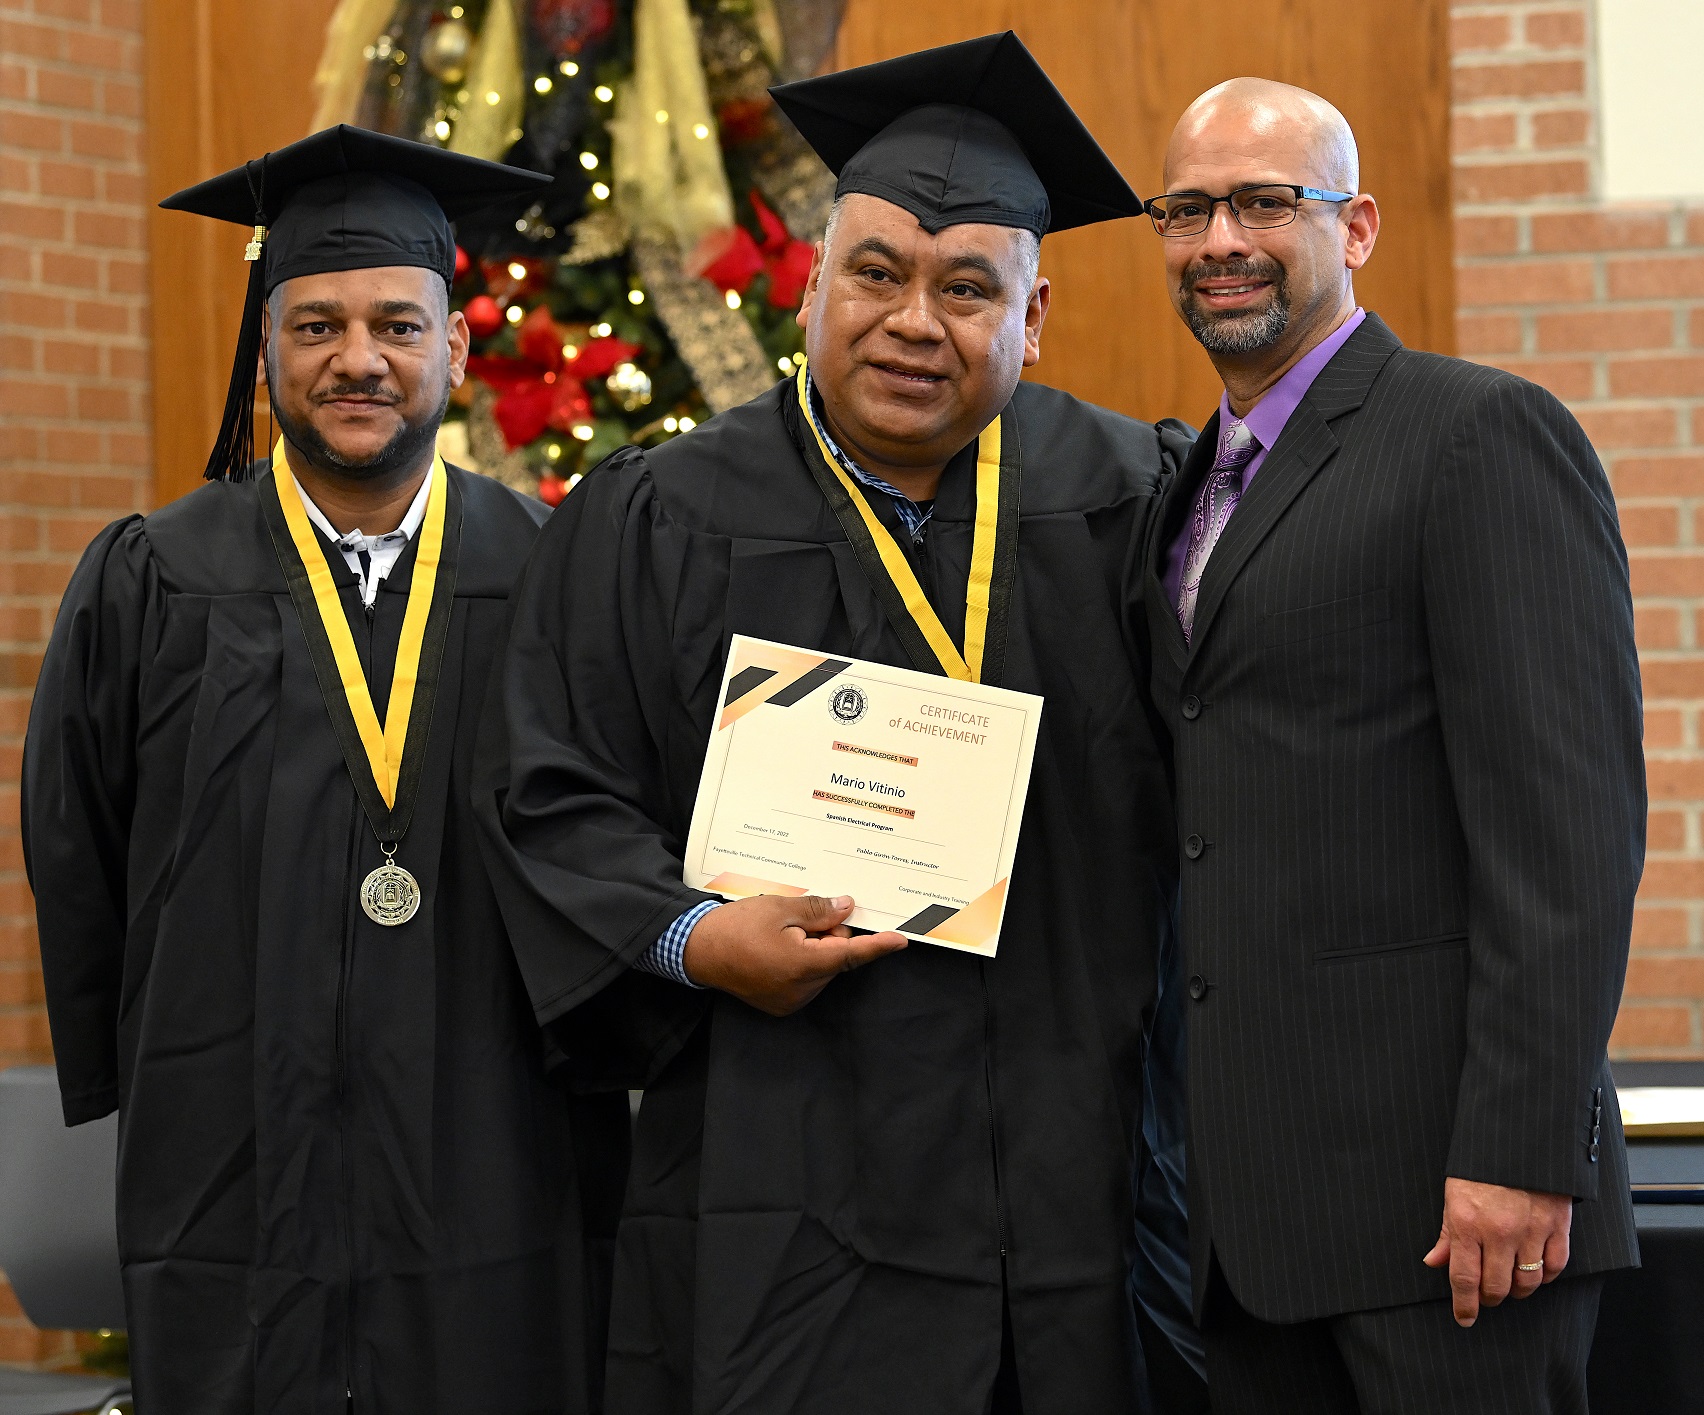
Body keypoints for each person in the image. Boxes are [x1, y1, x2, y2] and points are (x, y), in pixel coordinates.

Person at [475, 32, 1204, 1415]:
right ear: (814, 282)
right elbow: (551, 791)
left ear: (1033, 320)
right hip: (786, 1180)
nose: (913, 320)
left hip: (1083, 1172)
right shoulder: (666, 516)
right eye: (876, 272)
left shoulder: (1141, 503)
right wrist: (696, 938)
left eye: (966, 287)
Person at [23, 125, 627, 1414]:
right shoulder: (156, 575)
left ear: (455, 349)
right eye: (318, 327)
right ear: (268, 352)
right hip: (233, 1144)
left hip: (498, 1143)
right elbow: (77, 843)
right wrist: (151, 1063)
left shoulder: (554, 575)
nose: (360, 360)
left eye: (399, 326)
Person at [1140, 78, 1641, 1412]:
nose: (1219, 241)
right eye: (1185, 210)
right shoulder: (1192, 488)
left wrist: (1523, 1153)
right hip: (1256, 1228)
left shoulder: (1475, 434)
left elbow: (1566, 833)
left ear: (1355, 225)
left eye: (1263, 202)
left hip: (1454, 1215)